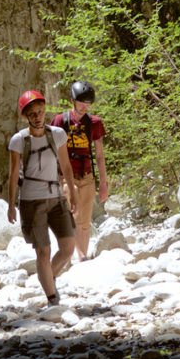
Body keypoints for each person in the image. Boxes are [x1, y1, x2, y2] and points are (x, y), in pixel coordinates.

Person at [6, 89, 79, 306]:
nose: (38, 116)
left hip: (56, 197)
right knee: (43, 251)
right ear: (26, 116)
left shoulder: (57, 134)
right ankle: (52, 298)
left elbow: (65, 166)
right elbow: (12, 175)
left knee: (68, 248)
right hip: (31, 201)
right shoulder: (18, 140)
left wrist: (72, 193)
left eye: (40, 111)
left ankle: (49, 277)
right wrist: (11, 205)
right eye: (33, 113)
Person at [52, 80, 109, 260]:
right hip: (67, 176)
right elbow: (52, 151)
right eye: (81, 102)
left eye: (88, 103)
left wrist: (104, 184)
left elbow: (99, 155)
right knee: (74, 215)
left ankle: (81, 259)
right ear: (72, 101)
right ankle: (81, 254)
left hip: (88, 176)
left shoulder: (94, 123)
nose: (84, 106)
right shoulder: (60, 121)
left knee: (85, 222)